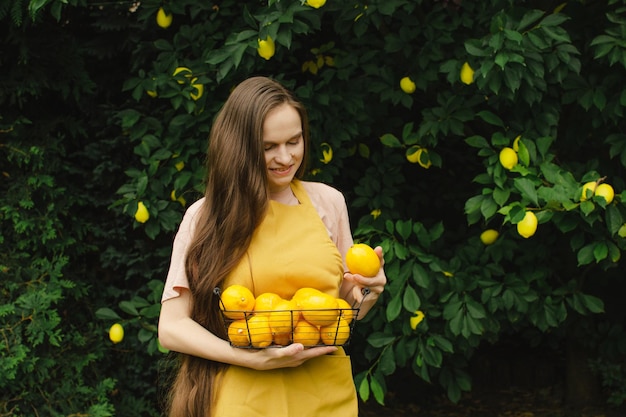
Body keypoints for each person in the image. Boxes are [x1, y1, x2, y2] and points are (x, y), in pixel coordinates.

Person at [158, 76, 387, 417]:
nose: (285, 157)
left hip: (325, 398)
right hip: (244, 400)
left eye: (294, 141)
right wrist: (249, 358)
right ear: (240, 146)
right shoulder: (207, 216)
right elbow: (171, 328)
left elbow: (338, 316)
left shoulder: (329, 203)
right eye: (268, 147)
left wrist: (367, 292)